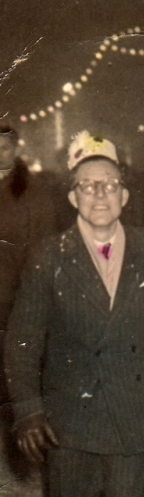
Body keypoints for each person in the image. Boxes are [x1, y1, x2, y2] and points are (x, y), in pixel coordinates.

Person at [5, 131, 144, 497]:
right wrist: (28, 409)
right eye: (88, 186)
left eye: (109, 184)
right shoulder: (49, 256)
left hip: (131, 402)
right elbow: (23, 337)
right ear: (72, 197)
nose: (99, 194)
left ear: (125, 195)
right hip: (69, 409)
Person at [0, 126, 57, 470]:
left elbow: (44, 251)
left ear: (16, 149)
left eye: (4, 148)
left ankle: (24, 453)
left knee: (14, 378)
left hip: (14, 302)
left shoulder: (33, 194)